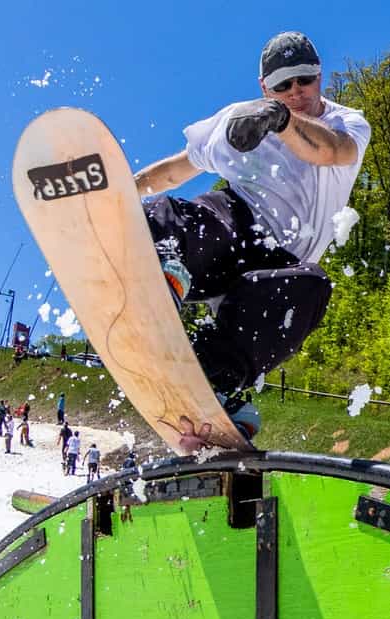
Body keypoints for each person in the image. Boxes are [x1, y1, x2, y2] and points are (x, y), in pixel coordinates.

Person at [130, 31, 369, 444]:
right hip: (235, 228)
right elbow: (175, 171)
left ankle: (214, 380)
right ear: (265, 87)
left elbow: (331, 152)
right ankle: (156, 269)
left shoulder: (344, 123)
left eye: (304, 81)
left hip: (277, 267)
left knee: (312, 288)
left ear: (320, 77)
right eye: (282, 86)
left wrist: (282, 121)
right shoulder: (236, 119)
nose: (295, 93)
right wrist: (120, 192)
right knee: (199, 215)